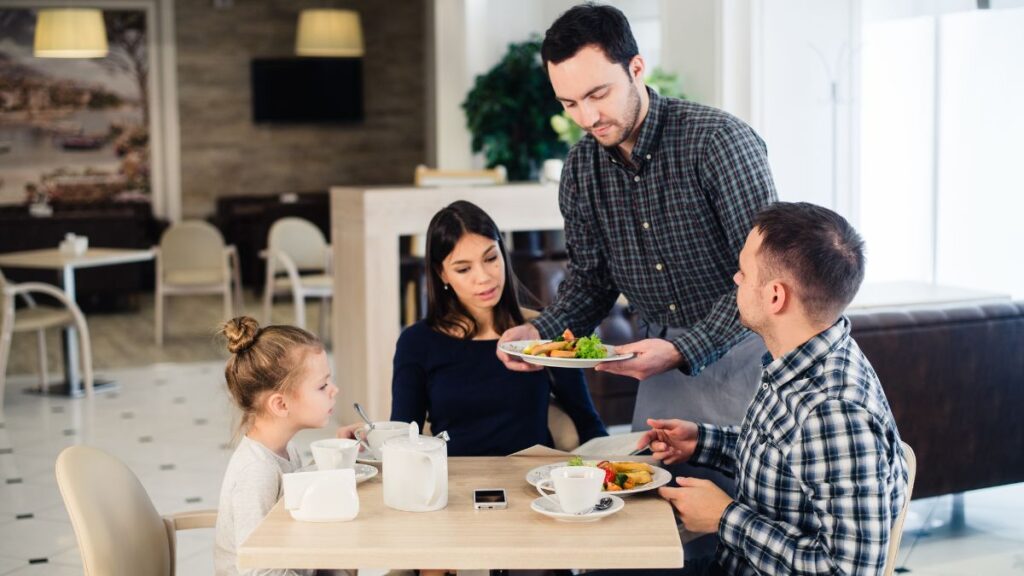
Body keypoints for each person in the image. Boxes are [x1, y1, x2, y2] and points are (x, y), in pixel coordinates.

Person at [497, 2, 777, 431]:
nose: (587, 118)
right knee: (652, 492)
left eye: (597, 94)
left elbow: (766, 277)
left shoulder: (718, 142)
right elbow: (591, 281)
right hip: (659, 361)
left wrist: (686, 349)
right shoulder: (580, 170)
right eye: (569, 103)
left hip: (750, 352)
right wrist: (541, 335)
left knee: (743, 496)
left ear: (636, 68)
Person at [626, 202, 909, 575]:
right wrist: (702, 441)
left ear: (776, 296)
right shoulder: (801, 356)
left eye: (744, 272)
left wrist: (725, 518)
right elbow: (788, 462)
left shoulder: (834, 411)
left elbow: (848, 571)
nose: (736, 280)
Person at [391, 200, 607, 456]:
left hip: (536, 480)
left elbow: (588, 423)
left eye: (491, 258)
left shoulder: (541, 332)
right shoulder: (417, 342)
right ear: (442, 274)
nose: (483, 277)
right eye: (463, 268)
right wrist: (369, 439)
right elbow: (402, 437)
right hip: (455, 483)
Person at [214, 316, 360, 576]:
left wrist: (340, 454)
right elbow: (259, 571)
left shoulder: (285, 449)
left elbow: (301, 505)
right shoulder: (256, 472)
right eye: (322, 385)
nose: (333, 390)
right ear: (281, 405)